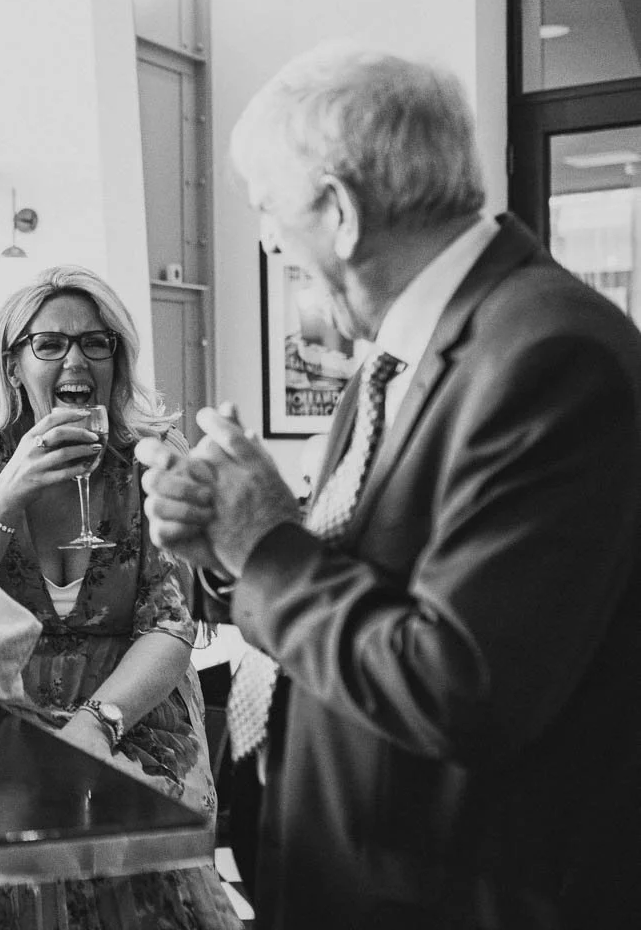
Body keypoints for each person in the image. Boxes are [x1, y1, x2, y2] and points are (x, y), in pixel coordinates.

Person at [139, 45, 641, 929]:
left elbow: (461, 684)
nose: (266, 240)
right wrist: (225, 546)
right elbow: (358, 577)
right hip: (333, 870)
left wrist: (265, 543)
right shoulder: (400, 350)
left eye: (267, 209)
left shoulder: (551, 357)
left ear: (338, 211)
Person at [0, 266, 239, 930]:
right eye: (49, 344)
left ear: (117, 359)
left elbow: (173, 623)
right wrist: (8, 493)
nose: (75, 360)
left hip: (133, 722)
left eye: (95, 343)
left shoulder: (152, 457)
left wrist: (96, 725)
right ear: (14, 362)